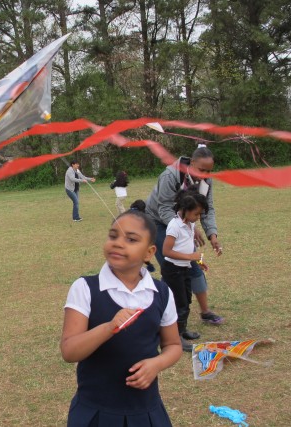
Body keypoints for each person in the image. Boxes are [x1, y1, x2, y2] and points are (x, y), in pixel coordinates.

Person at [61, 202, 182, 426]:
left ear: (149, 252)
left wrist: (157, 364)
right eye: (113, 235)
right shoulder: (86, 288)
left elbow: (173, 345)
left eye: (131, 239)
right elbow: (69, 351)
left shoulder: (161, 293)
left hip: (145, 411)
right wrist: (109, 328)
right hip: (96, 412)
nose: (118, 243)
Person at [145, 145, 225, 337]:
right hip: (160, 220)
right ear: (192, 163)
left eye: (209, 171)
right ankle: (167, 320)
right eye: (201, 169)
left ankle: (205, 312)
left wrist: (212, 235)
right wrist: (188, 225)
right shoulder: (170, 176)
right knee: (173, 269)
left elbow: (207, 208)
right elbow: (164, 208)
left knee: (193, 265)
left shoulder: (206, 181)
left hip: (186, 221)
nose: (204, 174)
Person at [161, 188, 209, 352]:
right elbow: (166, 251)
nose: (198, 217)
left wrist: (199, 261)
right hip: (172, 270)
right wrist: (191, 257)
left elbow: (190, 247)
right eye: (196, 213)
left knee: (186, 301)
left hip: (185, 269)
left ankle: (182, 331)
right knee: (179, 304)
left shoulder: (190, 223)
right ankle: (175, 338)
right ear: (185, 210)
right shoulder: (174, 226)